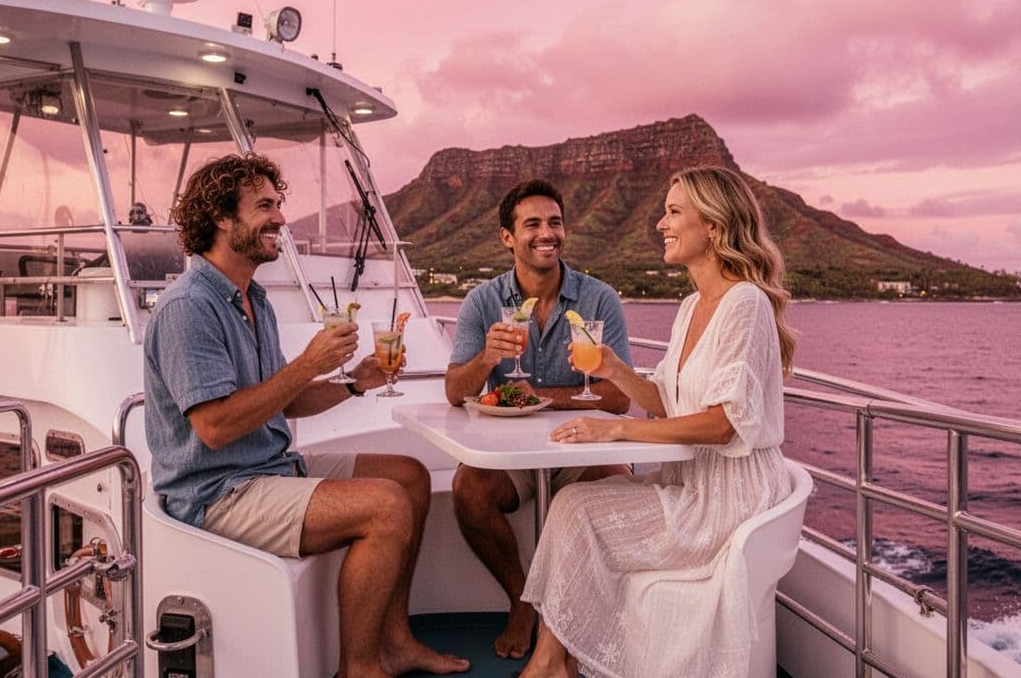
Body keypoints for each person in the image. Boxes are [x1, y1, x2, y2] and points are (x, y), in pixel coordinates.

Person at [143, 153, 468, 678]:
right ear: (222, 218)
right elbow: (215, 427)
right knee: (385, 506)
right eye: (264, 206)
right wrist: (307, 363)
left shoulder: (253, 299)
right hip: (217, 491)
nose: (280, 218)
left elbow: (280, 399)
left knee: (407, 475)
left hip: (269, 467)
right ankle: (359, 669)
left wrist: (353, 382)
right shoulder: (189, 307)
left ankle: (396, 640)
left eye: (279, 203)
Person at [518, 166, 798, 678]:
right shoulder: (692, 305)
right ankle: (554, 660)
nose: (658, 223)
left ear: (712, 227)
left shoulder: (745, 304)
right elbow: (669, 404)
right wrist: (612, 368)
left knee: (578, 511)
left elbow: (723, 425)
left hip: (727, 501)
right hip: (691, 484)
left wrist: (619, 428)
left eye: (673, 212)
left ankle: (548, 663)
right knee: (571, 502)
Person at [444, 178, 634, 659]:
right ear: (508, 237)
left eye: (555, 222)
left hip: (580, 443)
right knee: (469, 491)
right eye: (532, 224)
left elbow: (618, 397)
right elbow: (454, 392)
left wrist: (548, 397)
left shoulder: (598, 300)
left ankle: (568, 620)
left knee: (616, 481)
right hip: (513, 455)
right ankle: (522, 599)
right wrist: (486, 358)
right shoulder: (483, 302)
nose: (546, 233)